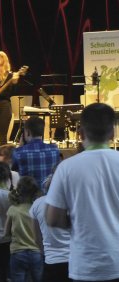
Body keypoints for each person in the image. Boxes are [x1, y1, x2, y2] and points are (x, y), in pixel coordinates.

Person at [46, 103, 119, 282]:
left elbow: (52, 218)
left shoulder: (66, 168)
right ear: (112, 133)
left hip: (85, 264)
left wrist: (75, 221)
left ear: (81, 134)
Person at [29, 173, 71, 282]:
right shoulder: (72, 201)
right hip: (74, 260)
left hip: (52, 260)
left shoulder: (37, 204)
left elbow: (36, 237)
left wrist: (43, 252)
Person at [5, 176, 42, 282]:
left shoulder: (12, 209)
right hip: (36, 252)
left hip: (17, 252)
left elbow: (5, 233)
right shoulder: (37, 208)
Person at [11, 116, 60, 192]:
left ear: (27, 132)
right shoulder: (55, 150)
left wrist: (20, 147)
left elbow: (13, 171)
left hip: (28, 198)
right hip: (48, 197)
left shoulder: (18, 152)